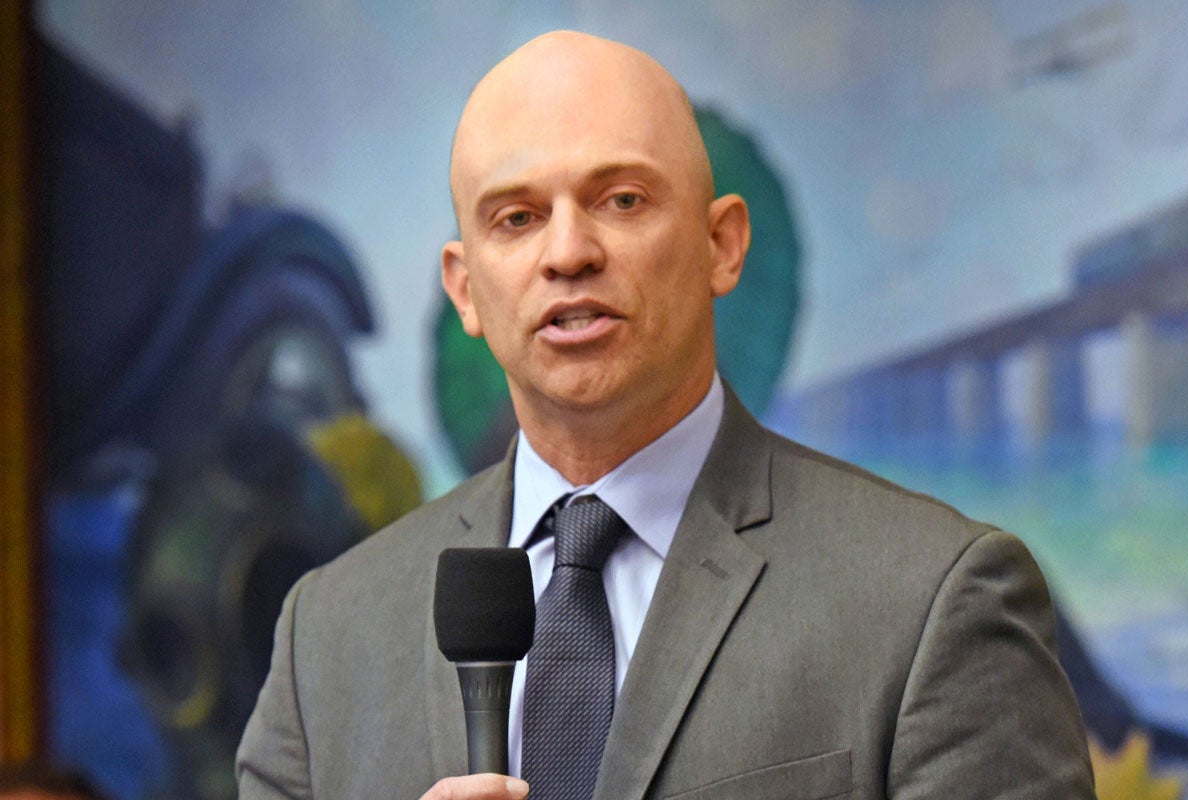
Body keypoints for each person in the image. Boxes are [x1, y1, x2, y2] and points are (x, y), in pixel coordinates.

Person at [236, 31, 1097, 800]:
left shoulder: (933, 601)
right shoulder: (327, 637)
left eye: (623, 201)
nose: (569, 252)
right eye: (518, 217)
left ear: (721, 245)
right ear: (466, 288)